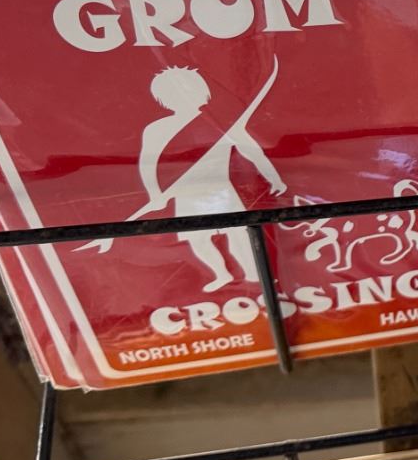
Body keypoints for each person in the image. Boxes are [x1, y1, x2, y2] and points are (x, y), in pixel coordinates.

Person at [80, 60, 285, 292]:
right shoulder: (157, 129)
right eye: (175, 92)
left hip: (220, 190)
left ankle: (254, 274)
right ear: (165, 98)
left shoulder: (221, 122)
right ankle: (221, 274)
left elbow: (252, 151)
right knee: (198, 239)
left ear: (201, 92)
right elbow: (147, 164)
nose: (183, 96)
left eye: (189, 90)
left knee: (237, 233)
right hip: (185, 194)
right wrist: (155, 193)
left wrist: (273, 177)